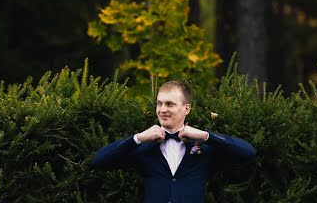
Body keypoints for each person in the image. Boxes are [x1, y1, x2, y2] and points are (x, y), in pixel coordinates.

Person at [92, 79, 256, 203]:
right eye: (159, 104)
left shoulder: (204, 147)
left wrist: (206, 135)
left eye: (169, 104)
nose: (162, 110)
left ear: (186, 109)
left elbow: (248, 152)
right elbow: (99, 160)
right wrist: (138, 138)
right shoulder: (143, 147)